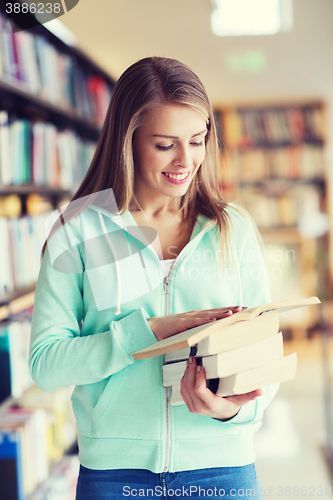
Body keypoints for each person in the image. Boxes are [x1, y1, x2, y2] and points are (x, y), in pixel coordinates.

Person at [29, 57, 278, 500]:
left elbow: (264, 359)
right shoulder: (81, 229)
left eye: (197, 140)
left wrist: (228, 412)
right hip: (113, 476)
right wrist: (144, 335)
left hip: (223, 470)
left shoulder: (232, 228)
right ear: (128, 141)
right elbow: (47, 364)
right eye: (165, 145)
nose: (186, 160)